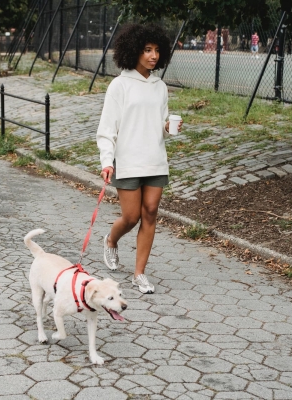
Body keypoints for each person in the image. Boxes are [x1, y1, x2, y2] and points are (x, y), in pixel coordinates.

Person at [96, 24, 182, 294]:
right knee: (131, 216)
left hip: (156, 159)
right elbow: (107, 129)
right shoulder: (119, 85)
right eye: (147, 50)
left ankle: (139, 274)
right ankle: (111, 239)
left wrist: (167, 128)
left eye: (157, 51)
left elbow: (160, 123)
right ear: (134, 51)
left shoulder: (160, 86)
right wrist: (107, 161)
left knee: (150, 213)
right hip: (129, 160)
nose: (153, 56)